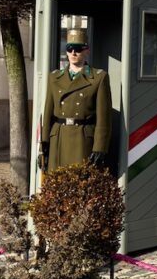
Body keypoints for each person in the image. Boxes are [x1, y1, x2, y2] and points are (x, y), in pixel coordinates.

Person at [38, 29, 111, 172]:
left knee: (80, 183)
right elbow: (47, 113)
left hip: (83, 139)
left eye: (78, 49)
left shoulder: (98, 78)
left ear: (87, 51)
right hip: (59, 138)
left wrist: (100, 148)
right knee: (57, 184)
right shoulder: (54, 77)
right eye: (70, 48)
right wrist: (44, 144)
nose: (73, 53)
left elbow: (104, 119)